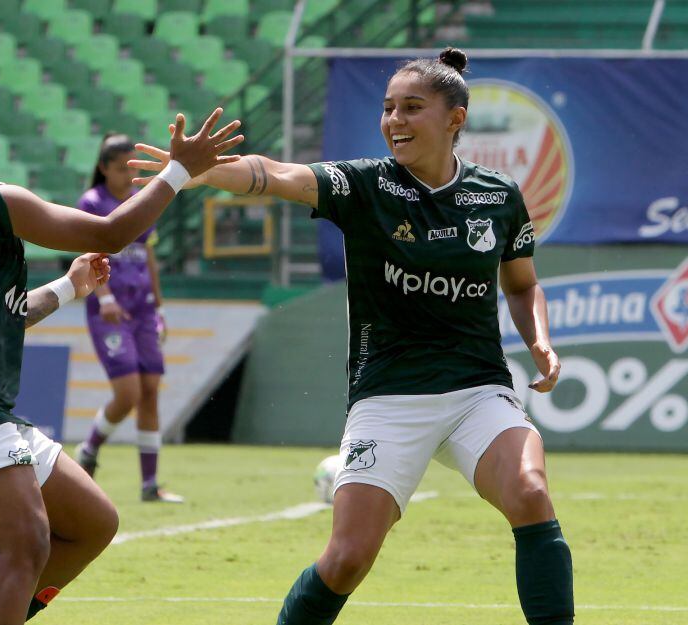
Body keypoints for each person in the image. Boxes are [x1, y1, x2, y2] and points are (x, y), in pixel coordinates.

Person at [131, 48, 572, 625]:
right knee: (346, 559)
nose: (395, 120)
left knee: (531, 495)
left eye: (412, 108)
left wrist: (538, 337)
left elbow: (521, 285)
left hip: (477, 393)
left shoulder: (498, 196)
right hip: (388, 397)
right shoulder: (364, 185)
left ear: (455, 119)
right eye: (389, 108)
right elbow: (277, 176)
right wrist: (199, 169)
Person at [0, 78, 242, 625]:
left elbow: (3, 313)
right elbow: (113, 231)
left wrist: (69, 288)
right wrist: (180, 170)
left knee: (93, 522)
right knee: (24, 547)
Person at [72, 133, 182, 503]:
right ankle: (88, 449)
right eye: (120, 169)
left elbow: (148, 257)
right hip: (110, 312)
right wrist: (103, 297)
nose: (125, 175)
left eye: (131, 168)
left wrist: (160, 307)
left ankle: (150, 485)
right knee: (129, 393)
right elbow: (86, 254)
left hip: (143, 309)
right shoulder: (92, 202)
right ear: (103, 168)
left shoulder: (138, 202)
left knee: (150, 392)